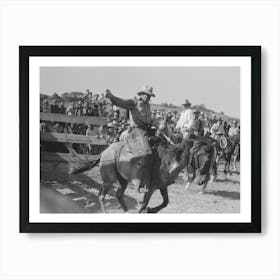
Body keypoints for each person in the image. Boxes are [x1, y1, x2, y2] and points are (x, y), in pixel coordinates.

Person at [105, 85, 156, 192]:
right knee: (147, 152)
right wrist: (110, 96)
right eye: (147, 95)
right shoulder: (133, 103)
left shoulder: (147, 105)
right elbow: (120, 102)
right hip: (137, 130)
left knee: (159, 146)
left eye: (150, 96)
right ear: (142, 94)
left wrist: (153, 123)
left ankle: (156, 176)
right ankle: (141, 183)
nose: (148, 97)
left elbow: (148, 119)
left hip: (147, 130)